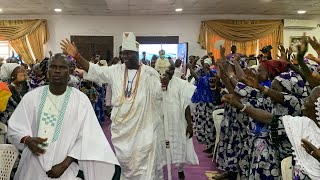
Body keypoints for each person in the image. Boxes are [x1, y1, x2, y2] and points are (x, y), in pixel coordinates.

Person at [61, 32, 164, 179]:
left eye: (128, 54)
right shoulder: (115, 70)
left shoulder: (150, 73)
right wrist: (77, 56)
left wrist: (162, 86)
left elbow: (158, 96)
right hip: (122, 128)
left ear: (137, 54)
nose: (125, 57)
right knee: (125, 163)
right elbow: (95, 70)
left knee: (143, 162)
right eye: (123, 54)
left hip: (143, 127)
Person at [7, 53, 119, 180]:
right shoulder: (32, 97)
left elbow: (88, 136)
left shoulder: (80, 100)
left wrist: (65, 164)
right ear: (47, 71)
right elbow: (15, 127)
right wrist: (27, 140)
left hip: (64, 169)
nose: (57, 71)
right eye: (53, 67)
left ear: (70, 71)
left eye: (62, 67)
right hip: (32, 168)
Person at [221, 86, 320, 179]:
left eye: (309, 99)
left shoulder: (294, 104)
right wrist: (239, 106)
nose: (305, 100)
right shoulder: (303, 124)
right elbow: (270, 119)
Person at [160, 66, 199, 180]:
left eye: (170, 71)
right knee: (162, 149)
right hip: (162, 123)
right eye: (165, 72)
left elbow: (186, 105)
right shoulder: (158, 84)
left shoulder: (181, 84)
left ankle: (180, 171)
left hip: (178, 122)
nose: (168, 73)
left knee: (179, 147)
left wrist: (189, 125)